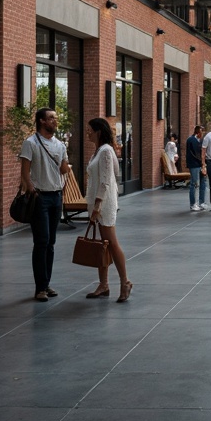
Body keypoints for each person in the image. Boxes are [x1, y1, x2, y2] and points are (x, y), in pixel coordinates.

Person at [19, 107, 71, 302]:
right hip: (40, 197)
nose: (55, 121)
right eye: (51, 118)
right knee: (41, 241)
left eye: (56, 118)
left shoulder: (60, 144)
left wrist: (66, 162)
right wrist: (33, 191)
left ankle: (46, 283)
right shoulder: (30, 143)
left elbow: (64, 169)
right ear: (41, 121)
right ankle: (40, 287)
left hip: (56, 197)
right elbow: (25, 172)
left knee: (50, 243)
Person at [84, 118, 131, 302]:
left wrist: (97, 206)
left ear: (98, 132)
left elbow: (105, 181)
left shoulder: (105, 151)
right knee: (103, 244)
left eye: (89, 130)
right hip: (98, 202)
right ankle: (103, 284)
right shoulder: (99, 151)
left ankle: (125, 282)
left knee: (111, 242)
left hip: (103, 204)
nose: (87, 132)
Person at [185, 124, 206, 211]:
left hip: (200, 164)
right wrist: (202, 162)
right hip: (194, 164)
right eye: (201, 132)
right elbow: (194, 153)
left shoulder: (200, 140)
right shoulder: (191, 140)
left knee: (203, 183)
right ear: (198, 132)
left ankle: (201, 202)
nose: (202, 134)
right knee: (194, 184)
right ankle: (193, 204)